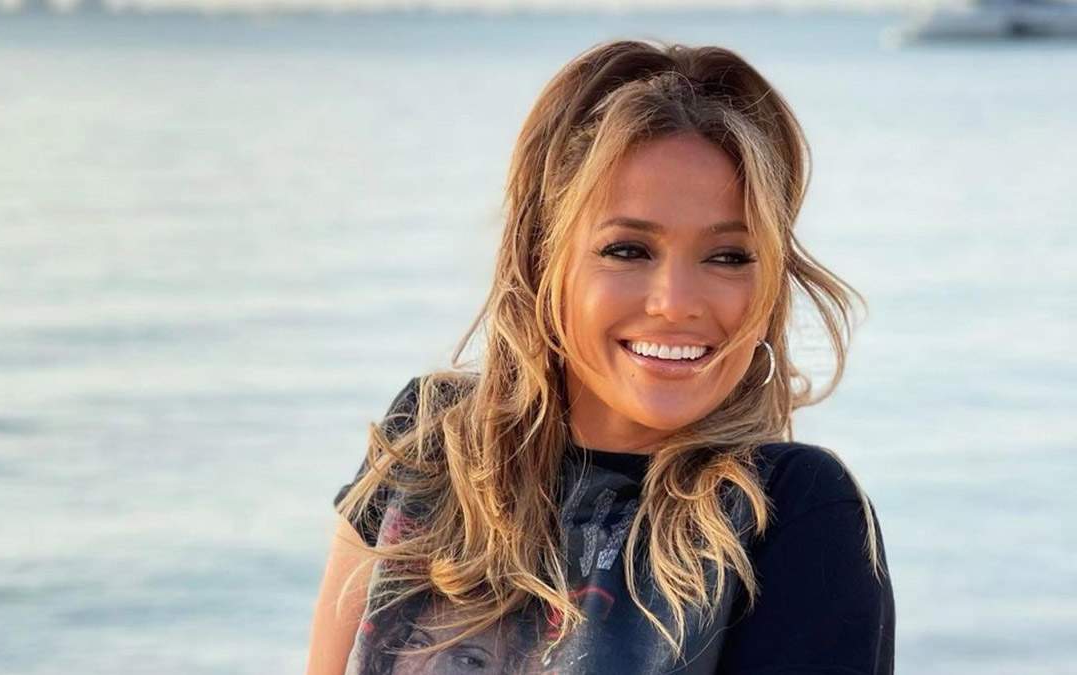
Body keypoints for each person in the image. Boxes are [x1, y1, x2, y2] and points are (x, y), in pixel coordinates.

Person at [307, 38, 895, 675]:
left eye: (729, 257)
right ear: (543, 260)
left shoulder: (791, 512)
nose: (675, 304)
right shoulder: (429, 441)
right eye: (628, 250)